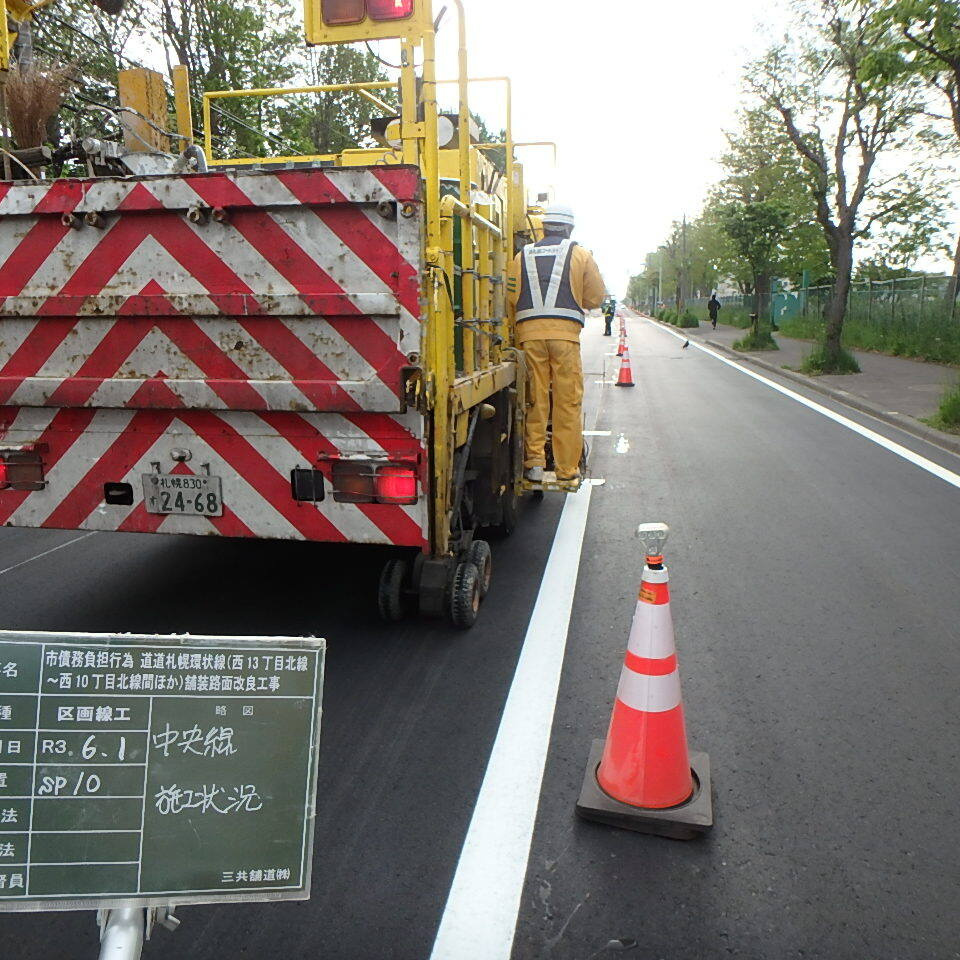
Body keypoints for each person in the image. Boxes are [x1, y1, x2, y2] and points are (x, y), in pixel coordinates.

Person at [507, 204, 605, 483]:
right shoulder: (580, 254)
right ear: (569, 228)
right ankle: (565, 469)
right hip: (565, 338)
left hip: (530, 337)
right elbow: (594, 298)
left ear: (544, 227)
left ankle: (535, 463)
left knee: (535, 400)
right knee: (566, 402)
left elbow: (512, 296)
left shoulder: (520, 256)